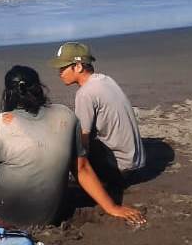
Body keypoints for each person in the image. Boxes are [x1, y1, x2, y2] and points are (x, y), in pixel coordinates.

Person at [0, 66, 145, 227]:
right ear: (39, 89)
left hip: (6, 212)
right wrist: (112, 207)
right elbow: (81, 169)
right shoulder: (65, 115)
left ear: (8, 93)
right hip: (50, 214)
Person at [53, 42, 146, 192]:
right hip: (136, 162)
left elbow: (83, 141)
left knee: (69, 143)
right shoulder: (105, 80)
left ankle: (97, 185)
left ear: (78, 66)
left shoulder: (85, 94)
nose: (59, 73)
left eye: (63, 68)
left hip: (120, 170)